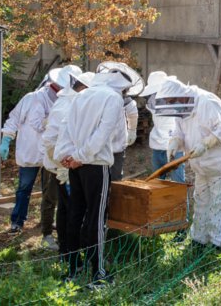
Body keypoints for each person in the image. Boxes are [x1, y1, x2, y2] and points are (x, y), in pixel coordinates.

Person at [55, 70, 133, 289]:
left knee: (75, 214)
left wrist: (69, 156)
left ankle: (73, 268)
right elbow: (104, 132)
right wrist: (80, 157)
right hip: (95, 164)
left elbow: (66, 128)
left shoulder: (82, 95)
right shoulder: (113, 97)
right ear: (122, 87)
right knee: (97, 217)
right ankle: (98, 274)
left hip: (75, 164)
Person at [154, 78, 221, 250]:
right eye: (169, 103)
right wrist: (175, 143)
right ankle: (198, 240)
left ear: (181, 96)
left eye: (173, 102)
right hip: (200, 164)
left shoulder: (207, 101)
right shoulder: (181, 110)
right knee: (201, 201)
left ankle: (218, 244)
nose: (173, 106)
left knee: (220, 202)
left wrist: (206, 143)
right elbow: (179, 132)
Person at [0, 64, 80, 240]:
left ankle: (47, 221)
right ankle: (17, 221)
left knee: (51, 192)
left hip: (50, 155)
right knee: (24, 187)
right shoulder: (32, 98)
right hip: (30, 152)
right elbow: (14, 119)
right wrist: (6, 139)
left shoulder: (67, 101)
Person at [41, 71, 93, 259]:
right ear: (84, 89)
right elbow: (50, 141)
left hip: (64, 163)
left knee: (65, 207)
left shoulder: (70, 102)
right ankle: (70, 251)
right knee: (71, 208)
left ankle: (66, 249)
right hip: (62, 165)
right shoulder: (66, 106)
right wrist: (62, 166)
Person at [95, 62, 143, 182]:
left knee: (116, 179)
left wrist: (132, 130)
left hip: (118, 146)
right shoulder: (101, 95)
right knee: (101, 179)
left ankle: (114, 200)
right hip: (100, 146)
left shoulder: (125, 98)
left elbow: (132, 113)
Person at [139, 71, 184, 183]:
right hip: (157, 147)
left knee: (177, 185)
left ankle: (181, 201)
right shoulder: (152, 100)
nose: (155, 95)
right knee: (157, 185)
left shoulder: (175, 98)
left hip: (174, 146)